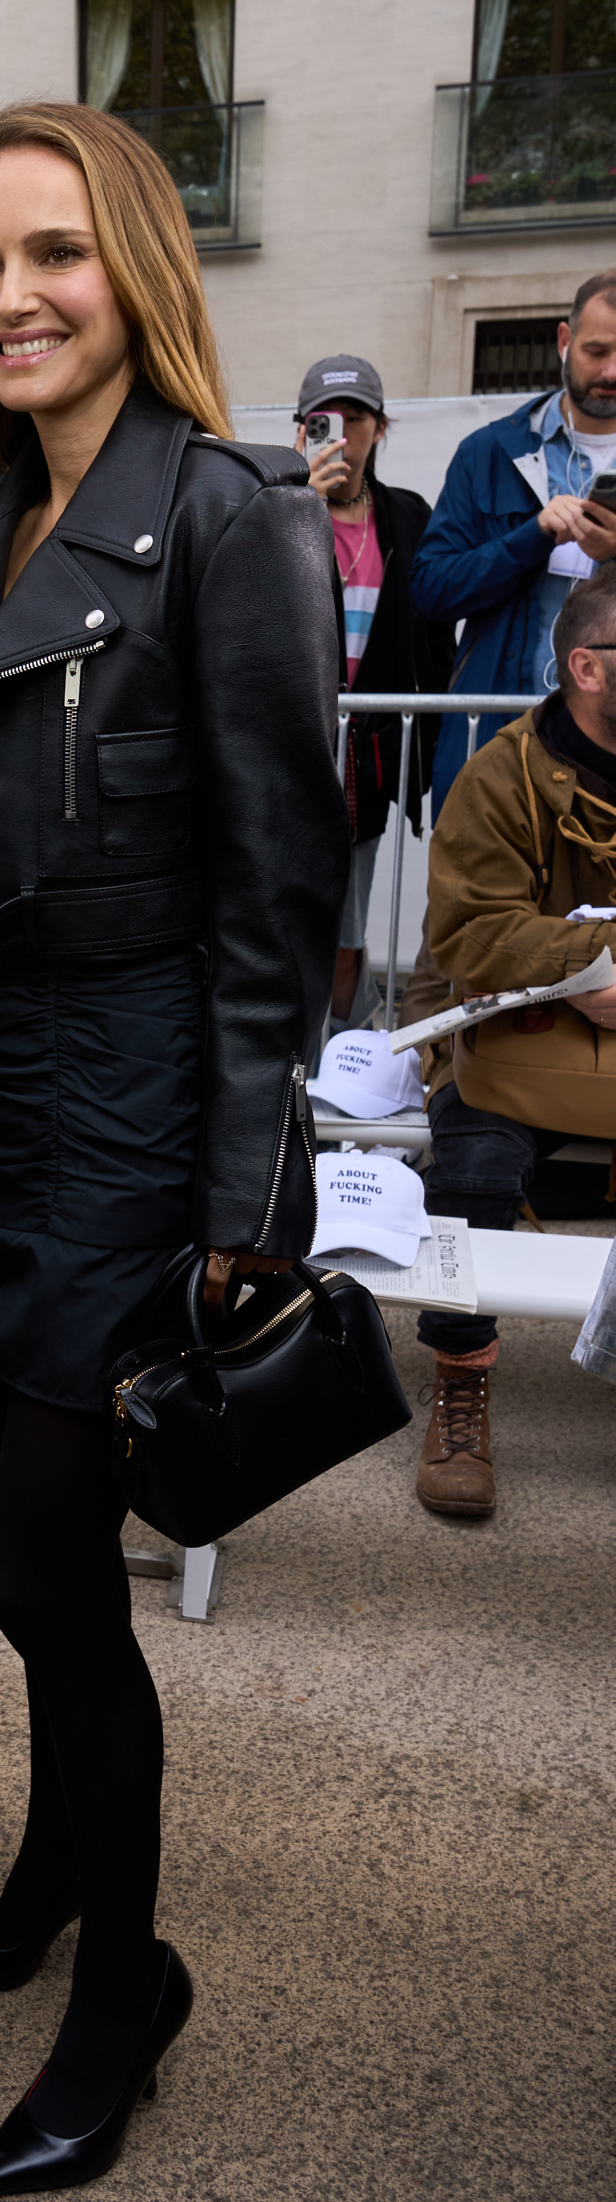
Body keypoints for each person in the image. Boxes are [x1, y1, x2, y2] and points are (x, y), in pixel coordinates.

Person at [0, 103, 347, 2200]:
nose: (6, 301)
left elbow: (280, 889)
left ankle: (117, 1990)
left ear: (132, 265)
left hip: (132, 1105)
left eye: (49, 255)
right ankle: (56, 1880)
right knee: (39, 1556)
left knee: (59, 1565)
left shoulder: (224, 516)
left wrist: (247, 1194)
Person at [411, 562, 616, 1520]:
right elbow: (463, 935)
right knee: (472, 1165)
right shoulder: (500, 775)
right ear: (586, 666)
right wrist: (594, 970)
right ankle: (460, 1380)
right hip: (509, 1044)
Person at [413, 268, 616, 816]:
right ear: (564, 340)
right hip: (496, 747)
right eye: (596, 350)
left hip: (607, 755)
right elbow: (431, 590)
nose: (611, 371)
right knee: (476, 901)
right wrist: (534, 536)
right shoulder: (488, 451)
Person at [292, 355, 454, 1027]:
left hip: (368, 753)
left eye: (355, 417)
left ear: (379, 428)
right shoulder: (272, 506)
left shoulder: (408, 519)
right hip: (287, 745)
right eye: (324, 419)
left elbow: (435, 632)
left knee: (348, 923)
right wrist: (296, 502)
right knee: (280, 912)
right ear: (302, 431)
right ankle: (285, 1063)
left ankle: (340, 1060)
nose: (342, 431)